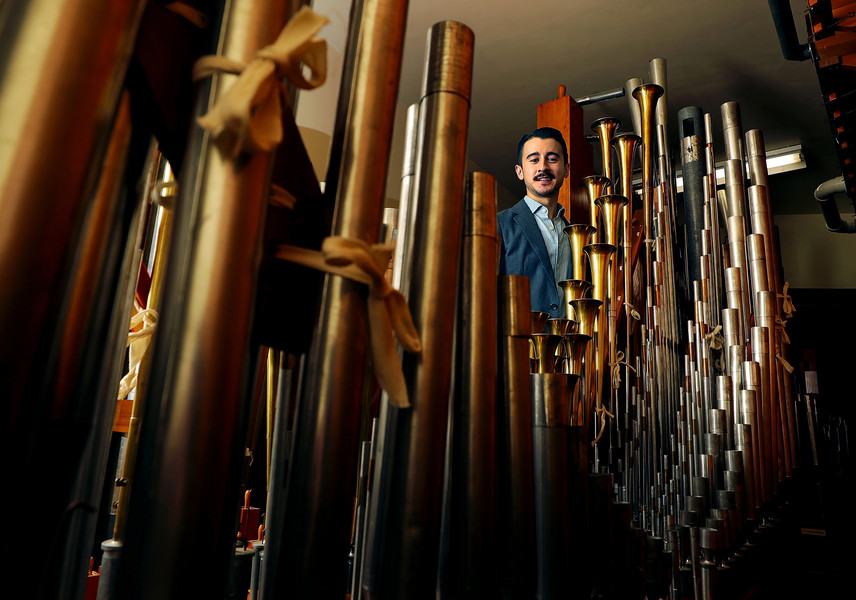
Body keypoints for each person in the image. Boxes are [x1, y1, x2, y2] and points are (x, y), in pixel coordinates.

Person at [498, 126, 572, 318]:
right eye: (534, 160)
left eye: (552, 158)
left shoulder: (576, 234)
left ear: (566, 169)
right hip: (519, 345)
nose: (543, 167)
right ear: (520, 171)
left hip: (569, 345)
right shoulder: (499, 224)